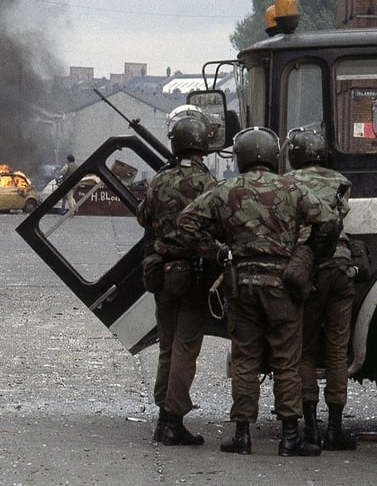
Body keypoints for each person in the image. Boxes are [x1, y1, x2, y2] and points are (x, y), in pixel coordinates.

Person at [176, 127, 341, 457]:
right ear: (273, 156)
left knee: (245, 360)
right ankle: (290, 436)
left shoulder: (226, 190)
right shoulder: (291, 188)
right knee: (287, 359)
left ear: (241, 158)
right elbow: (330, 220)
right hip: (283, 286)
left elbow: (186, 222)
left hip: (242, 286)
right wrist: (310, 253)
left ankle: (242, 435)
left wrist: (217, 251)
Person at [138, 113, 216, 446]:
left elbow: (144, 216)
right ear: (201, 146)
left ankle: (163, 414)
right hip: (194, 275)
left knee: (168, 347)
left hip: (161, 274)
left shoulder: (158, 180)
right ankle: (173, 419)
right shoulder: (208, 184)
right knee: (186, 348)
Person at [285, 126, 357, 451]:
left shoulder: (288, 183)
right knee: (338, 352)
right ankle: (336, 429)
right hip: (341, 268)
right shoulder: (341, 180)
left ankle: (310, 428)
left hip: (310, 269)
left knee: (307, 351)